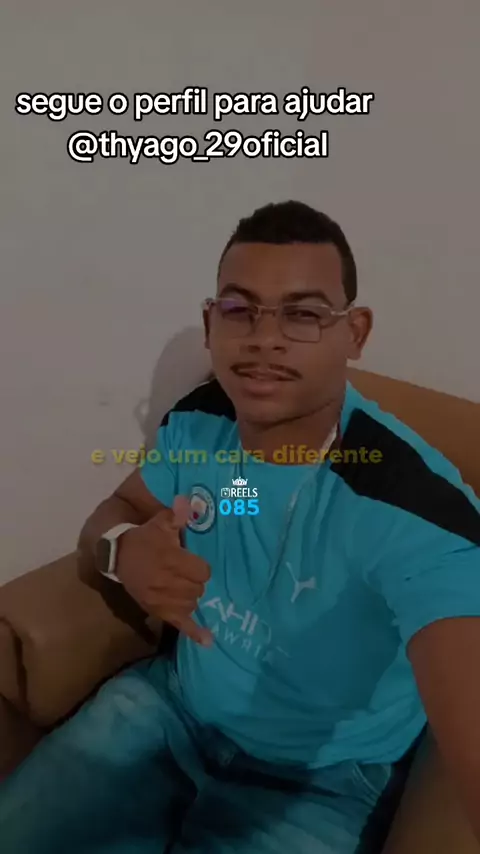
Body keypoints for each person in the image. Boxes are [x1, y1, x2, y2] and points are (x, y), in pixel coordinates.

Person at [1, 200, 480, 854]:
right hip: (169, 711)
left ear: (355, 333)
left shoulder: (413, 506)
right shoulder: (200, 420)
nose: (264, 338)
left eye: (303, 314)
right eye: (239, 309)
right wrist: (123, 553)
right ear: (211, 324)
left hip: (322, 781)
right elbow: (115, 513)